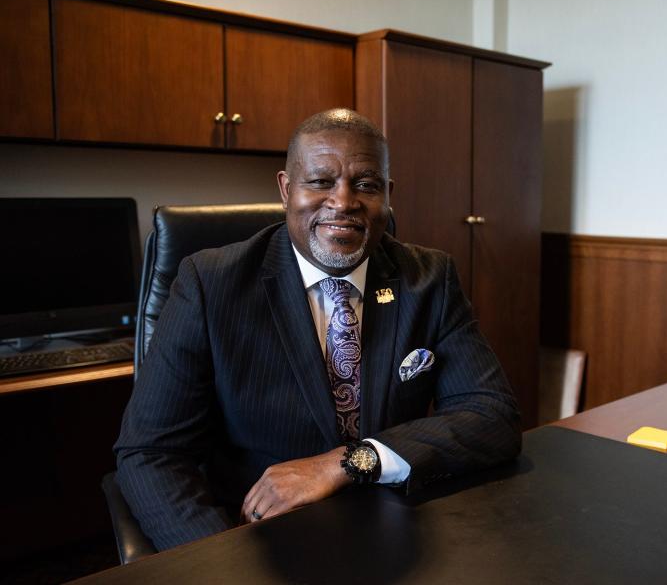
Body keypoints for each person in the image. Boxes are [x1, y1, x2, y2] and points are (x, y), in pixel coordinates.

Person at [115, 109, 521, 551]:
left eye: (366, 184)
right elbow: (150, 453)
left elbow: (492, 417)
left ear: (388, 195)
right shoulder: (210, 283)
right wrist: (220, 562)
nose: (343, 201)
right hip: (265, 540)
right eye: (321, 181)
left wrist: (346, 463)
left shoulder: (428, 279)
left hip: (395, 529)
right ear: (287, 190)